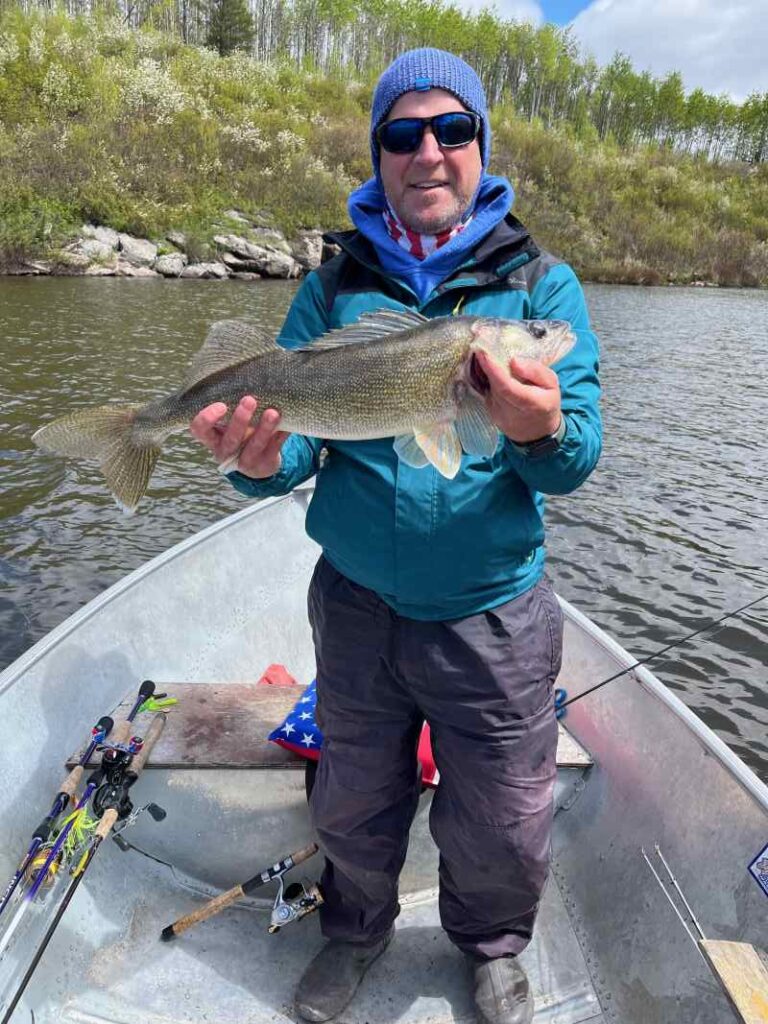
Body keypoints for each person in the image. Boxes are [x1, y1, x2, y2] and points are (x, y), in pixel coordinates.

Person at [190, 48, 601, 1024]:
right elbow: (290, 460)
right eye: (402, 133)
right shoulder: (333, 287)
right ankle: (354, 931)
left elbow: (574, 453)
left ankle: (492, 947)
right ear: (378, 155)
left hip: (494, 618)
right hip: (358, 610)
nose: (428, 151)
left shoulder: (542, 286)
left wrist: (538, 425)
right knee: (353, 802)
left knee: (503, 816)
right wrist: (250, 458)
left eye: (451, 129)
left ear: (480, 149)